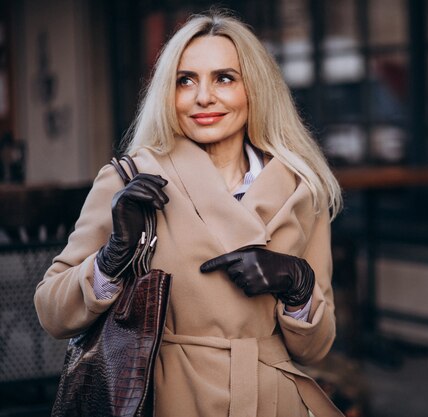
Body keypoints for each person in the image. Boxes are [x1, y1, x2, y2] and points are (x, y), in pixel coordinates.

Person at [34, 9, 344, 417]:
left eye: (224, 78)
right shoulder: (130, 179)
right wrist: (111, 259)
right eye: (185, 80)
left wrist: (299, 286)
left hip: (271, 400)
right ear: (168, 92)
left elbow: (316, 347)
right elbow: (52, 313)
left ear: (255, 89)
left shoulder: (304, 188)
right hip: (168, 397)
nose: (203, 97)